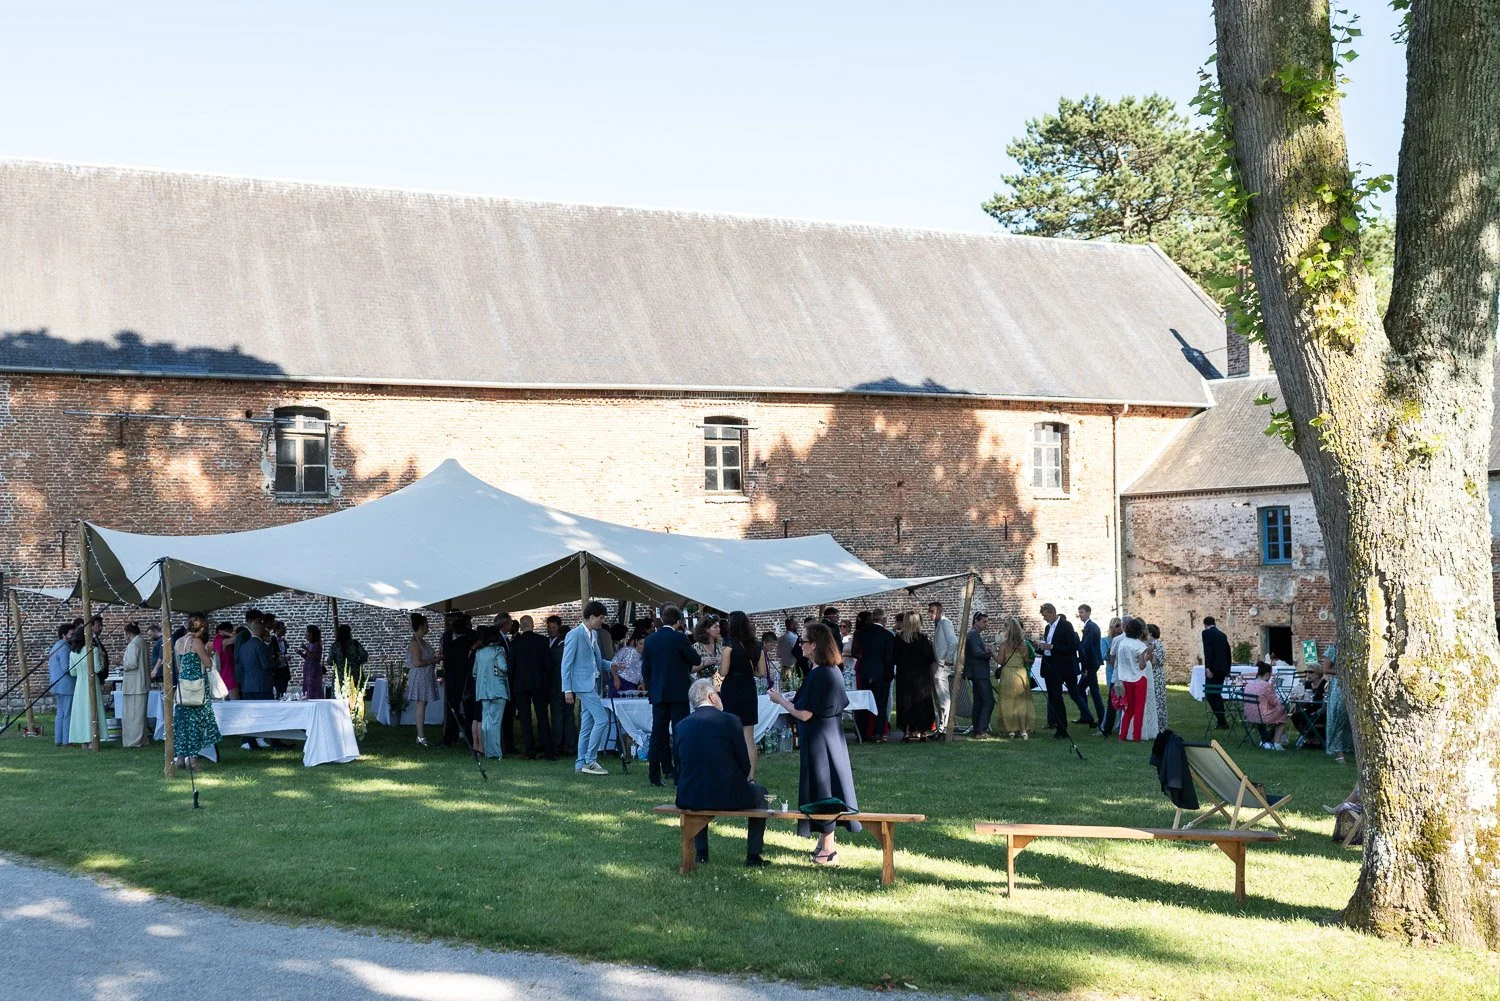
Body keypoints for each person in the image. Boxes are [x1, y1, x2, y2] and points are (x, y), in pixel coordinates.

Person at [766, 623, 860, 866]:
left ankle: (829, 849)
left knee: (824, 791)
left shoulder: (821, 673)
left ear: (815, 645)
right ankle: (824, 842)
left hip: (821, 742)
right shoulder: (830, 670)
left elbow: (805, 713)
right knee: (826, 788)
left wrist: (779, 701)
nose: (801, 645)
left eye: (804, 641)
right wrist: (792, 698)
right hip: (829, 739)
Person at [674, 677, 770, 867]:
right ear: (711, 697)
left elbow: (678, 764)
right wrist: (744, 780)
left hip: (690, 795)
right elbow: (744, 763)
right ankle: (753, 855)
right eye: (717, 693)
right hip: (727, 794)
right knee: (761, 794)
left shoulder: (681, 725)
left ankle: (701, 853)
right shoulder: (730, 720)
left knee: (700, 789)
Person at [641, 605, 699, 786]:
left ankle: (654, 775)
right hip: (679, 693)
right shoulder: (680, 638)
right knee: (679, 732)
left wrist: (652, 690)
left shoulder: (650, 640)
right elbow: (695, 660)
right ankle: (679, 774)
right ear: (678, 621)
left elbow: (646, 670)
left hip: (659, 693)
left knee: (658, 734)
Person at [563, 600, 612, 776]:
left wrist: (610, 665)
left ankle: (579, 764)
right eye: (600, 618)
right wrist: (567, 689)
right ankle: (590, 760)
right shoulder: (574, 635)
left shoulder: (594, 634)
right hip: (583, 685)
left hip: (593, 683)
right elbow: (566, 664)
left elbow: (595, 661)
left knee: (587, 725)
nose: (602, 621)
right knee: (601, 719)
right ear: (591, 617)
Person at [718, 610, 768, 779]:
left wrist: (721, 666)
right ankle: (751, 776)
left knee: (730, 732)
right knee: (749, 736)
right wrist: (748, 671)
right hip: (748, 689)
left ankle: (732, 772)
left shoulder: (729, 644)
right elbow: (762, 672)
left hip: (731, 689)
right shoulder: (757, 645)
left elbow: (723, 672)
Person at [171, 613, 223, 769]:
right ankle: (193, 761)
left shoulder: (178, 642)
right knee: (195, 725)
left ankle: (180, 758)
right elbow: (207, 664)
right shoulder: (196, 642)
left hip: (183, 688)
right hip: (198, 687)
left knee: (182, 725)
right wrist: (209, 651)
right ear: (201, 629)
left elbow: (179, 667)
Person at [509, 616, 554, 759]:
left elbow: (511, 665)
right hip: (539, 683)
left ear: (521, 626)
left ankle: (530, 750)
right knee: (542, 717)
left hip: (521, 683)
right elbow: (548, 664)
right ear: (533, 625)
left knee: (525, 717)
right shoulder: (542, 641)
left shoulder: (515, 643)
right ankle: (548, 750)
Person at [1036, 604, 1081, 740]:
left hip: (1061, 667)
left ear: (1052, 613)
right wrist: (1040, 647)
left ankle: (1063, 728)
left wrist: (1052, 647)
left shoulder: (1066, 625)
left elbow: (1071, 647)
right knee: (1053, 698)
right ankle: (1057, 725)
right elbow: (1047, 648)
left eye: (1046, 615)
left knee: (1059, 697)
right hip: (1050, 667)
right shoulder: (1048, 627)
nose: (1044, 618)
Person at [893, 609, 938, 741]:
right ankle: (922, 730)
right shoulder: (922, 639)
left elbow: (895, 657)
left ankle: (908, 730)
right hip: (920, 676)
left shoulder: (899, 639)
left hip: (904, 675)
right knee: (921, 702)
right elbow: (930, 657)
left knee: (905, 702)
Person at [853, 609, 894, 740]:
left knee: (863, 702)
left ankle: (862, 732)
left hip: (865, 671)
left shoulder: (861, 633)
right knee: (880, 704)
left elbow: (855, 652)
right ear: (884, 620)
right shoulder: (887, 635)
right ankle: (878, 732)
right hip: (881, 672)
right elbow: (889, 658)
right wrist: (889, 673)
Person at [471, 626, 509, 759]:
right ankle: (496, 752)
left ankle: (487, 751)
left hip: (483, 691)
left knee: (486, 723)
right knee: (495, 723)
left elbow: (474, 673)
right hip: (498, 690)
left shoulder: (479, 653)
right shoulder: (499, 650)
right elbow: (503, 667)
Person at [993, 617, 1034, 738]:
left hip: (1008, 674)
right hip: (1021, 673)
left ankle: (1011, 729)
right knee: (1021, 701)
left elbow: (1000, 661)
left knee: (1008, 701)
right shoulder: (1024, 644)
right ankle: (1023, 729)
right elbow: (1027, 660)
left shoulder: (1004, 644)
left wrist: (992, 653)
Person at [406, 612, 442, 747]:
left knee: (424, 704)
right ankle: (420, 736)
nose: (429, 627)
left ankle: (421, 735)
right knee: (421, 704)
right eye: (427, 625)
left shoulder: (422, 641)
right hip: (420, 676)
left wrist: (436, 658)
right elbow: (417, 663)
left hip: (426, 675)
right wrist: (433, 660)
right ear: (421, 626)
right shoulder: (415, 643)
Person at [1111, 618, 1151, 741]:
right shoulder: (1140, 645)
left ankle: (1122, 735)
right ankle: (1136, 737)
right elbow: (1141, 666)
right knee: (1139, 710)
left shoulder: (1122, 642)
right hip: (1138, 679)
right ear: (1139, 631)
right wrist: (1148, 656)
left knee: (1128, 709)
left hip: (1125, 679)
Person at [441, 611, 475, 748]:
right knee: (459, 708)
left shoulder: (454, 643)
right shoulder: (467, 641)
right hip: (463, 678)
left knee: (455, 708)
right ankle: (456, 736)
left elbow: (447, 661)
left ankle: (452, 737)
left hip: (457, 678)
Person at [66, 627, 106, 746]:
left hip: (79, 685)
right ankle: (92, 739)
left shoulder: (73, 652)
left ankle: (83, 739)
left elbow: (72, 672)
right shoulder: (92, 650)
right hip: (92, 683)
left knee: (81, 712)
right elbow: (98, 668)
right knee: (92, 710)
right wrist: (102, 658)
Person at [962, 612, 996, 738]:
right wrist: (990, 653)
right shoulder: (973, 634)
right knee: (988, 701)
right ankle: (981, 730)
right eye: (984, 621)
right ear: (976, 621)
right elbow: (977, 653)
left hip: (976, 672)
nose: (986, 624)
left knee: (979, 701)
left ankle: (977, 728)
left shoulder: (974, 634)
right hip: (979, 673)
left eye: (987, 622)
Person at [1242, 661, 1288, 749]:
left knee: (1263, 711)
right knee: (1283, 711)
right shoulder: (1266, 685)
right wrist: (1272, 687)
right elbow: (1275, 702)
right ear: (1267, 674)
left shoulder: (1249, 684)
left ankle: (1266, 740)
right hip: (1261, 716)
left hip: (1249, 715)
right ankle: (1277, 743)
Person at [928, 602, 958, 732]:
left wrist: (948, 660)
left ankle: (945, 726)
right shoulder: (939, 624)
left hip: (943, 665)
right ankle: (941, 725)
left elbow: (953, 642)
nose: (930, 614)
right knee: (938, 697)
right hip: (938, 663)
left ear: (939, 611)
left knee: (943, 697)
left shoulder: (945, 623)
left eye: (932, 611)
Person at [120, 622, 150, 747]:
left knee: (133, 715)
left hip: (135, 684)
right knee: (140, 715)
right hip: (141, 682)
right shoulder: (142, 642)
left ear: (129, 633)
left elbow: (132, 664)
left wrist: (121, 663)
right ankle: (142, 739)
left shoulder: (133, 644)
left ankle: (133, 741)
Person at [1202, 615, 1233, 730]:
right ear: (1214, 623)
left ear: (1205, 624)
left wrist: (1208, 668)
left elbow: (1208, 651)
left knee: (1210, 694)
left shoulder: (1206, 633)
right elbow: (1228, 653)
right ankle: (1222, 721)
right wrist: (1227, 669)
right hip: (1222, 669)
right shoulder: (1222, 635)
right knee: (1217, 694)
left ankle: (1222, 721)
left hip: (1213, 668)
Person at [1323, 646, 1353, 763]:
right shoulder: (1334, 648)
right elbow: (1326, 669)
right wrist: (1341, 672)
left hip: (1354, 686)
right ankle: (1339, 753)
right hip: (1339, 687)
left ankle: (1351, 750)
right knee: (1337, 718)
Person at [1075, 604, 1104, 726]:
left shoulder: (1091, 627)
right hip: (1091, 662)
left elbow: (1086, 646)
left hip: (1091, 663)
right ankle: (1086, 715)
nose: (1080, 615)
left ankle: (1101, 718)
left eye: (1082, 612)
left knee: (1093, 690)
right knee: (1082, 688)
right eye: (1079, 612)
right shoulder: (1090, 626)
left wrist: (1082, 662)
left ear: (1088, 613)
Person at [47, 623, 74, 746]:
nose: (73, 637)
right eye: (71, 634)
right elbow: (66, 668)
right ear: (64, 635)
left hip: (56, 685)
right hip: (65, 686)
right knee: (67, 714)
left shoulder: (56, 646)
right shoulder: (64, 648)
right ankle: (66, 741)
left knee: (60, 713)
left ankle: (58, 740)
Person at [1145, 623, 1168, 739]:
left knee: (1157, 700)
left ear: (1150, 633)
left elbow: (1154, 661)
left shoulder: (1155, 644)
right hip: (1157, 674)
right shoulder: (1154, 644)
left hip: (1156, 675)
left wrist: (1147, 654)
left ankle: (1159, 727)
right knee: (1158, 700)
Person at [211, 622, 238, 700]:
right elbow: (237, 638)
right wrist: (228, 634)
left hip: (226, 674)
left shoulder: (221, 640)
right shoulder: (219, 640)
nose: (232, 633)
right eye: (231, 631)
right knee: (235, 702)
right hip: (227, 675)